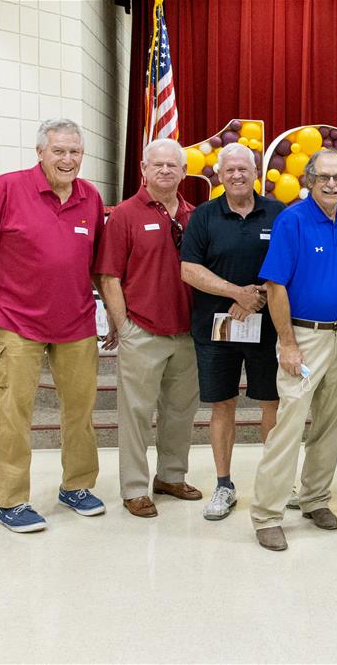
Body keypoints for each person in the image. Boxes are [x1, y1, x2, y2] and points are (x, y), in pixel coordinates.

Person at [0, 118, 109, 532]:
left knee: (80, 411)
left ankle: (76, 485)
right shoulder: (6, 189)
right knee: (15, 413)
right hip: (17, 323)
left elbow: (96, 264)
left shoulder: (91, 197)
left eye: (74, 152)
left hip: (77, 322)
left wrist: (112, 312)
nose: (67, 159)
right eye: (58, 151)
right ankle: (11, 500)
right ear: (40, 152)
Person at [249, 149, 337, 551]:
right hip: (304, 338)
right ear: (310, 180)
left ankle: (314, 499)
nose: (332, 184)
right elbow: (275, 286)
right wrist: (289, 344)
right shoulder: (291, 220)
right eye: (324, 177)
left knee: (331, 422)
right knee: (289, 425)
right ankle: (266, 515)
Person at [94, 138, 201, 518]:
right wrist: (123, 325)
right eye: (157, 165)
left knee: (180, 411)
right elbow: (108, 276)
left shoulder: (194, 216)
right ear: (143, 169)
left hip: (187, 334)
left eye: (173, 165)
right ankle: (135, 487)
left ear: (184, 172)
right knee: (136, 414)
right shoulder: (125, 214)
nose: (165, 171)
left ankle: (171, 476)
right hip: (143, 330)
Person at [180, 143, 284, 521]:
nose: (237, 175)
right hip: (216, 331)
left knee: (271, 404)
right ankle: (224, 485)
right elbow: (188, 270)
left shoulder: (277, 213)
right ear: (219, 176)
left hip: (268, 329)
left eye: (244, 169)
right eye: (230, 170)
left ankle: (274, 482)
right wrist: (234, 293)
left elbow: (288, 265)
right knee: (222, 405)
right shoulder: (204, 217)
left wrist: (254, 296)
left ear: (256, 172)